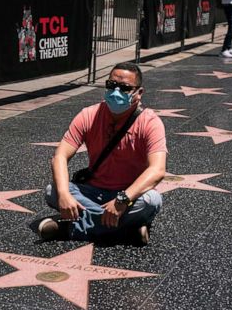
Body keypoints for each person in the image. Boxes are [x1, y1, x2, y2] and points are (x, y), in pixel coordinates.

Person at [40, 62, 166, 245]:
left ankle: (69, 229)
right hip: (92, 191)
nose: (116, 92)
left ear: (139, 93)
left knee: (151, 201)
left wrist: (121, 200)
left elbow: (157, 170)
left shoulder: (150, 122)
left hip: (128, 196)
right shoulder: (89, 115)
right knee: (53, 191)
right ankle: (126, 231)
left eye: (124, 88)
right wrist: (64, 194)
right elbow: (60, 156)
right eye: (111, 85)